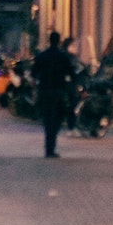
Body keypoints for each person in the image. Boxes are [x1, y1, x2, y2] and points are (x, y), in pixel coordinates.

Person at [31, 29, 75, 158]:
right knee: (57, 119)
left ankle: (48, 148)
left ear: (49, 41)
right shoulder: (63, 56)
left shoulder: (42, 55)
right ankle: (51, 146)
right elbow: (71, 73)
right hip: (58, 91)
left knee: (47, 120)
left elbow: (33, 73)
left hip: (45, 91)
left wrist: (36, 89)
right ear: (59, 41)